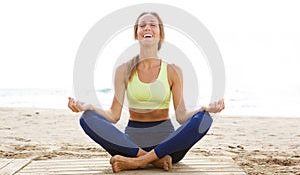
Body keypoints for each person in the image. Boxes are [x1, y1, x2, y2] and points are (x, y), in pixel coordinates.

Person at [68, 12, 225, 173]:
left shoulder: (173, 70)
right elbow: (114, 115)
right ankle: (152, 159)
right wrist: (90, 107)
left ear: (160, 33)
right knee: (86, 118)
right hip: (131, 145)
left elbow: (181, 116)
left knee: (204, 119)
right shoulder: (123, 70)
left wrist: (203, 109)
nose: (147, 28)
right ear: (136, 34)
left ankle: (139, 161)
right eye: (142, 26)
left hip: (168, 144)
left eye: (152, 25)